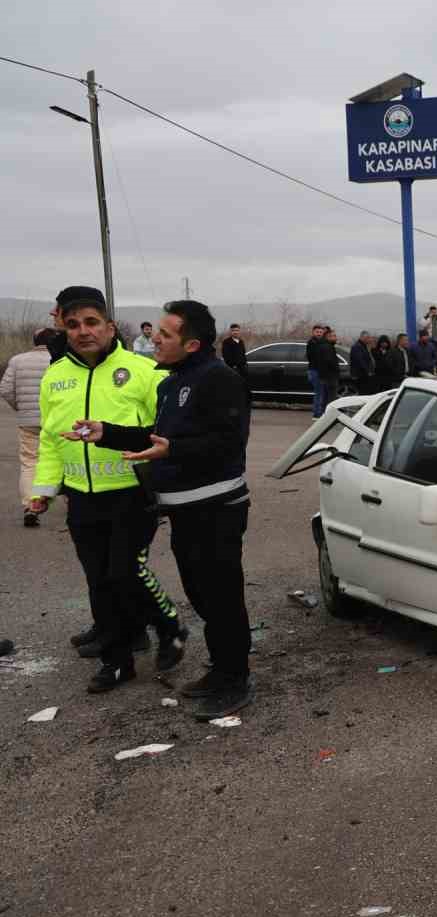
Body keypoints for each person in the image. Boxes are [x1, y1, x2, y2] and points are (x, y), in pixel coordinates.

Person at [72, 299, 254, 718]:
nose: (154, 337)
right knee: (201, 596)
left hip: (217, 510)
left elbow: (227, 443)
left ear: (191, 344)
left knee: (222, 598)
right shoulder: (171, 383)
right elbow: (156, 439)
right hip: (184, 513)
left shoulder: (218, 378)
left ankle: (235, 676)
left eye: (166, 334)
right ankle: (222, 668)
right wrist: (108, 433)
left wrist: (175, 449)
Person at [31, 288, 186, 691]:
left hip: (132, 493)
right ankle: (117, 661)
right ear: (63, 329)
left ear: (109, 326)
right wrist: (44, 488)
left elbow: (166, 433)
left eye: (91, 322)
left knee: (124, 573)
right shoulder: (55, 376)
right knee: (99, 581)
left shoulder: (142, 370)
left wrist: (165, 479)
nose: (83, 331)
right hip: (81, 496)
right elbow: (49, 439)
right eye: (73, 324)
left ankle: (169, 625)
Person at [1, 329, 53, 527]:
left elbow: (5, 389)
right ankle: (72, 501)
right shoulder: (60, 360)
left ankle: (31, 506)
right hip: (55, 421)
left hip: (28, 421)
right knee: (64, 460)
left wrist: (20, 407)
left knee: (30, 462)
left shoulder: (17, 360)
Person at [311, 326, 341, 415]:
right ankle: (328, 416)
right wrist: (335, 370)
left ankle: (324, 415)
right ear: (328, 337)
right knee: (330, 398)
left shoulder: (326, 346)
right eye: (333, 336)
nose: (336, 338)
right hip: (329, 377)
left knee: (325, 398)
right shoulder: (327, 347)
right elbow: (329, 362)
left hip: (326, 376)